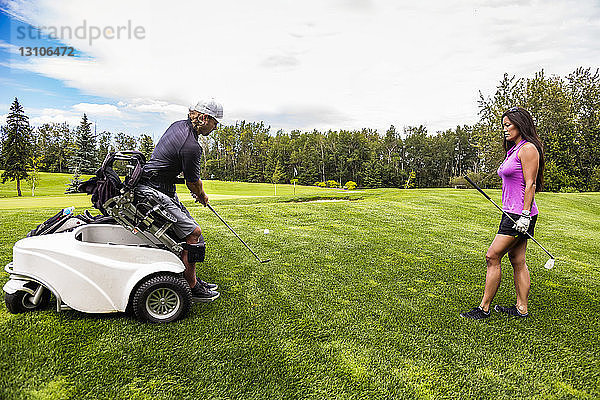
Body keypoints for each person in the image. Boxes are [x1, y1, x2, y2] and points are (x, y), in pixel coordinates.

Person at [461, 107, 545, 319]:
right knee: (517, 259)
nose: (505, 129)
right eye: (503, 125)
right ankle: (521, 309)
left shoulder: (528, 149)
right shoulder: (513, 149)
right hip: (511, 213)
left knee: (492, 256)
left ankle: (484, 309)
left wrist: (525, 215)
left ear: (520, 124)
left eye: (508, 125)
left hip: (519, 215)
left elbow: (531, 184)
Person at [137, 98, 223, 302]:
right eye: (215, 122)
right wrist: (201, 196)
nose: (216, 127)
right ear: (203, 118)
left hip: (160, 187)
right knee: (194, 233)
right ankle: (192, 287)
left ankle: (189, 277)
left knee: (189, 230)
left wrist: (195, 188)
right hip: (152, 190)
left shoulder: (178, 126)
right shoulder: (191, 145)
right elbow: (193, 182)